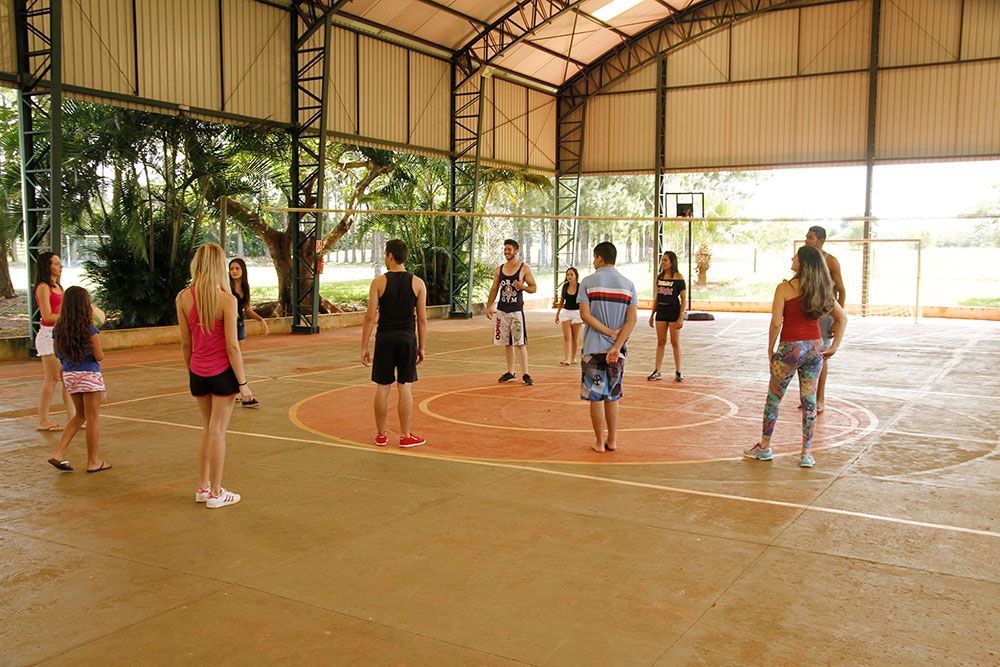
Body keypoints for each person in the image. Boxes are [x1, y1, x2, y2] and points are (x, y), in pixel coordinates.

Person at [743, 245, 847, 468]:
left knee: (774, 398)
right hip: (814, 348)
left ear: (803, 263)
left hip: (791, 348)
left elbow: (776, 323)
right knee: (809, 401)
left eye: (796, 257)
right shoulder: (821, 289)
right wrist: (835, 345)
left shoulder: (784, 288)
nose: (792, 259)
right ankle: (806, 453)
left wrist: (770, 349)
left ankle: (765, 446)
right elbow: (842, 318)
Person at [176, 243, 252, 509]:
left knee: (207, 429)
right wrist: (243, 383)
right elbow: (233, 346)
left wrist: (191, 370)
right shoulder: (227, 299)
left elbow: (186, 344)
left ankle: (203, 486)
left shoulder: (184, 297)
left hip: (197, 372)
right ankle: (216, 492)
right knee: (218, 431)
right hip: (221, 374)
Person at [361, 239, 429, 448]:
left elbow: (370, 317)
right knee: (405, 386)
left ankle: (381, 435)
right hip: (407, 339)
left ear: (390, 255)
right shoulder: (418, 283)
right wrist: (422, 347)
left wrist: (364, 346)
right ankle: (405, 435)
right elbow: (422, 319)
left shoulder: (379, 283)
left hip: (385, 339)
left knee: (383, 387)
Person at [578, 242, 638, 453]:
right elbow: (632, 320)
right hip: (617, 351)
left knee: (596, 396)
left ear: (600, 258)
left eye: (595, 258)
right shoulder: (628, 285)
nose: (594, 262)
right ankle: (612, 440)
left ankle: (598, 442)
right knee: (613, 396)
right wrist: (617, 343)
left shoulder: (587, 282)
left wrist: (607, 332)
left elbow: (585, 315)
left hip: (593, 348)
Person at [46, 286, 110, 473]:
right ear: (85, 306)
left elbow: (57, 354)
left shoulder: (59, 328)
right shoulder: (89, 328)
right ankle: (93, 461)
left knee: (79, 415)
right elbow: (99, 356)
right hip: (89, 374)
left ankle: (58, 454)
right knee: (93, 418)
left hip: (69, 376)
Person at [804, 226, 846, 414]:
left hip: (824, 313)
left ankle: (820, 398)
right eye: (806, 237)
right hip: (808, 310)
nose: (807, 240)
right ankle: (808, 396)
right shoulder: (805, 260)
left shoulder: (831, 261)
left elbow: (842, 290)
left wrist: (837, 319)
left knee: (821, 355)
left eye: (810, 237)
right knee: (806, 354)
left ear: (821, 240)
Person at [485, 239, 537, 385]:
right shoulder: (499, 269)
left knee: (520, 343)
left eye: (509, 249)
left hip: (516, 311)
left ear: (516, 250)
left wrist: (523, 287)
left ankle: (526, 373)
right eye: (505, 249)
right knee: (507, 343)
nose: (506, 252)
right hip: (502, 311)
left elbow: (534, 287)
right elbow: (494, 288)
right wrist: (489, 306)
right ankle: (510, 372)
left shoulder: (524, 268)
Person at [34, 252, 75, 431]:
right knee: (52, 379)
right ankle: (43, 420)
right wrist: (70, 317)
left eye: (60, 263)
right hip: (47, 335)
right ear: (47, 266)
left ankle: (73, 417)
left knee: (68, 378)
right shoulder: (43, 287)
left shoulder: (59, 287)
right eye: (57, 263)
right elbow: (47, 315)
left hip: (61, 334)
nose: (60, 266)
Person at [228, 258, 268, 408]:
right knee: (230, 356)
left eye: (237, 268)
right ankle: (237, 390)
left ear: (243, 270)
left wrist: (261, 320)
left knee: (238, 358)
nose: (234, 271)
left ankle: (237, 389)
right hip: (229, 325)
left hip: (240, 325)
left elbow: (247, 309)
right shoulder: (226, 287)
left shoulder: (245, 287)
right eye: (232, 269)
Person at [647, 250, 686, 382]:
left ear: (672, 262)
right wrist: (652, 314)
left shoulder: (679, 278)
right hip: (661, 312)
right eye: (662, 260)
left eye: (665, 260)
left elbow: (683, 299)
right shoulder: (659, 277)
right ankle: (657, 370)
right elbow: (657, 297)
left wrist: (681, 317)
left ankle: (679, 371)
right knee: (661, 341)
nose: (662, 262)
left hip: (674, 311)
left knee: (675, 342)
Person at [554, 267, 583, 366]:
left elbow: (584, 302)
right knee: (567, 337)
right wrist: (558, 314)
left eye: (571, 274)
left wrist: (585, 315)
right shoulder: (565, 286)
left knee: (575, 337)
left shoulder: (580, 287)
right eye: (568, 275)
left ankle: (573, 357)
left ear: (576, 276)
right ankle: (567, 358)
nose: (569, 277)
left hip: (577, 313)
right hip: (566, 312)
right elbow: (562, 300)